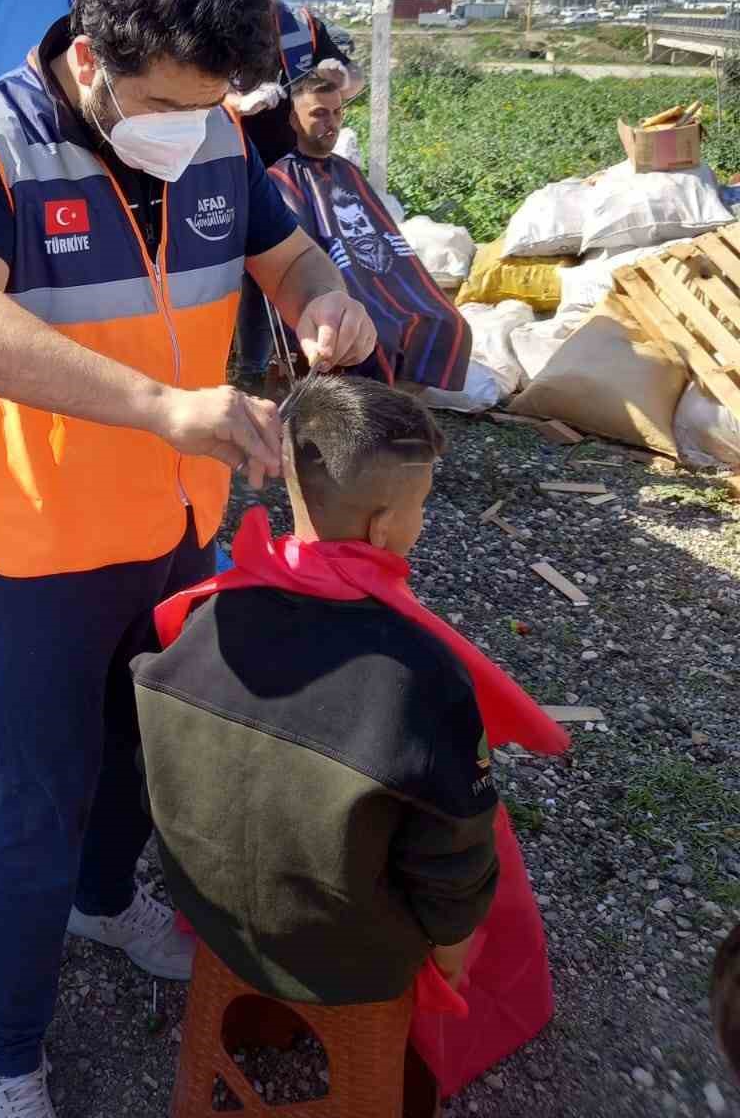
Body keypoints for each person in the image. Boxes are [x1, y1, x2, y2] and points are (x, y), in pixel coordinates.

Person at [0, 0, 377, 1118]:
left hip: (181, 526)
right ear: (94, 57)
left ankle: (105, 905)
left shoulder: (214, 134)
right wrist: (164, 405)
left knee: (143, 751)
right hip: (49, 546)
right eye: (166, 101)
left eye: (213, 101)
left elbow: (289, 259)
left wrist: (327, 305)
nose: (192, 125)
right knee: (30, 797)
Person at [136, 373, 569, 1099]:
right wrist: (453, 951)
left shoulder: (201, 620)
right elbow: (452, 865)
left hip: (211, 915)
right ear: (383, 529)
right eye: (421, 509)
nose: (421, 524)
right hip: (352, 958)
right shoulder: (422, 676)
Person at [267, 72, 472, 394]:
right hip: (341, 289)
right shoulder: (281, 178)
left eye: (336, 113)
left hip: (377, 277)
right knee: (380, 332)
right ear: (294, 119)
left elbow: (384, 234)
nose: (330, 122)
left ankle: (400, 402)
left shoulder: (347, 170)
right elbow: (299, 255)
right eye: (319, 113)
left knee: (447, 321)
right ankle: (373, 408)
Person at [229, 0, 366, 382]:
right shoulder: (221, 28)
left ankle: (284, 360)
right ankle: (243, 363)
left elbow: (352, 83)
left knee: (283, 259)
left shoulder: (303, 28)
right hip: (232, 162)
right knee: (240, 266)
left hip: (292, 172)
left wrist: (341, 79)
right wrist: (238, 103)